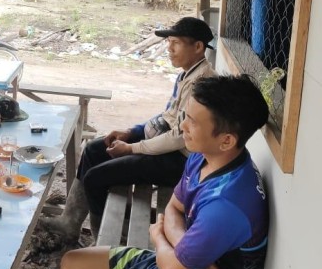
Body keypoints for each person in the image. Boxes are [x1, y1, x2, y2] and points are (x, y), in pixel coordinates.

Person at [43, 75, 270, 269]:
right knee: (72, 263)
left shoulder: (226, 206)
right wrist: (185, 249)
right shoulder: (206, 157)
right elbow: (174, 207)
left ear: (226, 140)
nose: (182, 126)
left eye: (192, 122)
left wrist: (159, 236)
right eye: (185, 116)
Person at [44, 17, 216, 243]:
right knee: (95, 149)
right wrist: (131, 131)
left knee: (96, 178)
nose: (169, 49)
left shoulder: (201, 84)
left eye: (175, 42)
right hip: (164, 144)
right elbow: (167, 118)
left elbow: (178, 138)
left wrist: (132, 148)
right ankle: (69, 223)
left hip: (179, 160)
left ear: (197, 47)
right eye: (168, 42)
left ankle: (105, 243)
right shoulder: (187, 73)